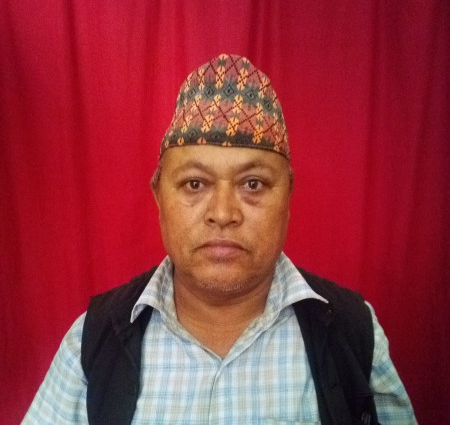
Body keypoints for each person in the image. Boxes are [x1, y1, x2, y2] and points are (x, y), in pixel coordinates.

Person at [23, 54, 417, 424]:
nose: (224, 213)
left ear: (288, 197)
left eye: (253, 183)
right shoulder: (93, 340)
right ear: (159, 197)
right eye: (195, 184)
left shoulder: (353, 333)